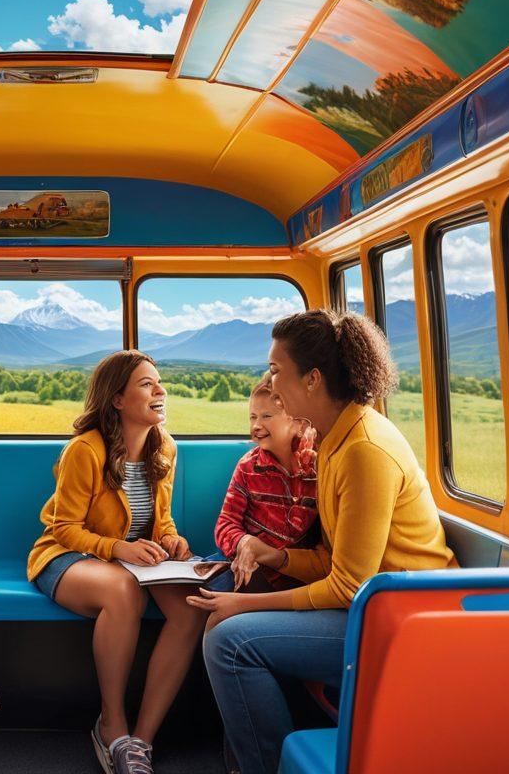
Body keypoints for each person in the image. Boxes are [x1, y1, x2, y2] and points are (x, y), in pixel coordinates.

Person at [191, 310, 457, 774]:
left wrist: (243, 605)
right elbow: (334, 562)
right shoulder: (336, 439)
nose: (271, 385)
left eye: (277, 371)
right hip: (375, 607)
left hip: (407, 623)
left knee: (229, 644)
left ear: (311, 379)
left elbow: (350, 586)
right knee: (225, 632)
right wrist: (274, 554)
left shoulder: (364, 451)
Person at [27, 350, 206, 774]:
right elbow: (64, 526)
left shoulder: (166, 449)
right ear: (117, 400)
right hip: (67, 556)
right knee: (123, 591)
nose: (160, 390)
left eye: (159, 382)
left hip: (131, 561)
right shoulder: (85, 451)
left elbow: (160, 519)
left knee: (191, 608)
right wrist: (118, 548)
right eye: (147, 384)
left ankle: (141, 739)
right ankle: (111, 725)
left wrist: (170, 539)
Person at [212, 375, 318, 593]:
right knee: (202, 595)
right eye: (252, 417)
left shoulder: (319, 467)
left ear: (298, 422)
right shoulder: (248, 467)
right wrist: (243, 542)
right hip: (250, 564)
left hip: (295, 574)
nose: (256, 425)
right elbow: (226, 522)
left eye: (266, 416)